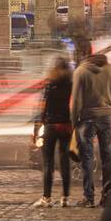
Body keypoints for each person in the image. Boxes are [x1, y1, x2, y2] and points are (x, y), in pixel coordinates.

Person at [72, 47, 111, 206]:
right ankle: (107, 196)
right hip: (106, 117)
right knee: (108, 158)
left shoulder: (81, 71)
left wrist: (74, 122)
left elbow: (76, 100)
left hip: (88, 118)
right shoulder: (110, 70)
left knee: (87, 158)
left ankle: (88, 197)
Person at [32, 57, 74, 208]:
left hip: (50, 126)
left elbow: (43, 107)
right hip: (66, 126)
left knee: (48, 163)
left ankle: (46, 198)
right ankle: (65, 198)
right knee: (64, 162)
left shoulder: (50, 84)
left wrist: (37, 128)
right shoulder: (71, 84)